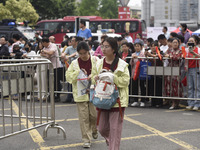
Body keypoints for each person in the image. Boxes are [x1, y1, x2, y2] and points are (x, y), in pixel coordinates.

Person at [93, 37, 130, 150]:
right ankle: (112, 141)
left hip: (117, 100)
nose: (103, 49)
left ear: (114, 49)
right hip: (102, 99)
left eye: (107, 46)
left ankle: (114, 145)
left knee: (115, 130)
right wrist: (94, 79)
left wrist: (112, 77)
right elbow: (93, 77)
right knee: (101, 128)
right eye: (102, 46)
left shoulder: (122, 64)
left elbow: (126, 81)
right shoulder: (99, 63)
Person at [65, 41, 98, 148]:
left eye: (85, 53)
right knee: (84, 118)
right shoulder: (74, 63)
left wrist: (91, 76)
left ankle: (94, 129)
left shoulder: (96, 60)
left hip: (94, 92)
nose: (83, 56)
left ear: (89, 51)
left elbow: (100, 73)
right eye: (80, 53)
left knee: (94, 115)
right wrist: (78, 73)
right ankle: (86, 139)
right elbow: (68, 77)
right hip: (80, 93)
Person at [164, 38, 183, 109]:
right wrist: (169, 56)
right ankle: (171, 102)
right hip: (169, 69)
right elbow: (164, 55)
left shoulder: (180, 51)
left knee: (176, 86)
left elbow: (178, 57)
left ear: (178, 44)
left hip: (176, 70)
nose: (175, 44)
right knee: (169, 85)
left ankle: (176, 102)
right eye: (173, 42)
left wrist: (171, 56)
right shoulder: (169, 50)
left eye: (176, 42)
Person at [41, 37, 62, 102]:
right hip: (48, 67)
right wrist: (45, 53)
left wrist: (44, 51)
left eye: (42, 43)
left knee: (56, 82)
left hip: (55, 66)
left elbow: (50, 53)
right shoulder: (45, 48)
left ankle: (57, 95)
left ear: (45, 42)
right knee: (49, 82)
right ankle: (51, 94)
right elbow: (43, 55)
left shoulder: (53, 45)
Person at [61, 36, 80, 103]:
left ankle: (75, 97)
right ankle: (69, 97)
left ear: (76, 42)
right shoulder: (69, 48)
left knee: (76, 82)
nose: (71, 42)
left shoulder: (79, 47)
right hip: (70, 67)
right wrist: (63, 55)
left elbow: (77, 53)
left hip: (78, 67)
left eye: (72, 41)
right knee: (70, 81)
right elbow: (64, 53)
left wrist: (68, 56)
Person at [145, 41, 163, 107]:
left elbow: (159, 57)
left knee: (158, 87)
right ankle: (153, 102)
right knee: (152, 87)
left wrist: (151, 55)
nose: (153, 48)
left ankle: (159, 102)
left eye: (154, 46)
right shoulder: (150, 53)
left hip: (159, 72)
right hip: (151, 72)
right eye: (152, 46)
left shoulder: (160, 52)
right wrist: (146, 54)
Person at [185, 36, 200, 110]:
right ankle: (190, 103)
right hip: (189, 69)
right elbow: (183, 57)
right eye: (189, 41)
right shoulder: (186, 50)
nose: (190, 42)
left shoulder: (198, 49)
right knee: (190, 87)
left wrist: (193, 52)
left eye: (192, 41)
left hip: (196, 69)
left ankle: (197, 104)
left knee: (197, 87)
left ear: (195, 42)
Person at [130, 41, 146, 107]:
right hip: (134, 72)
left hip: (141, 72)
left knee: (142, 86)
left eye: (138, 46)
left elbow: (143, 61)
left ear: (141, 47)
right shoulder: (133, 54)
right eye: (135, 46)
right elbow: (131, 63)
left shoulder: (143, 54)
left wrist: (138, 57)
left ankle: (142, 100)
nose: (137, 47)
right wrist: (132, 58)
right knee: (135, 86)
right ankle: (135, 100)